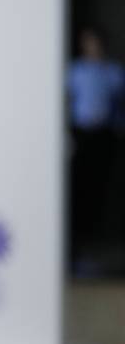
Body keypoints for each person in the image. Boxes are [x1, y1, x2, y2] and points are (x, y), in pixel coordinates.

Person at [67, 26, 125, 269]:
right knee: (79, 187)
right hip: (81, 134)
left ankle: (96, 242)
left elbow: (119, 104)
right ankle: (76, 245)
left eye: (97, 42)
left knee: (100, 188)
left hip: (105, 135)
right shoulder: (75, 71)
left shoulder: (114, 72)